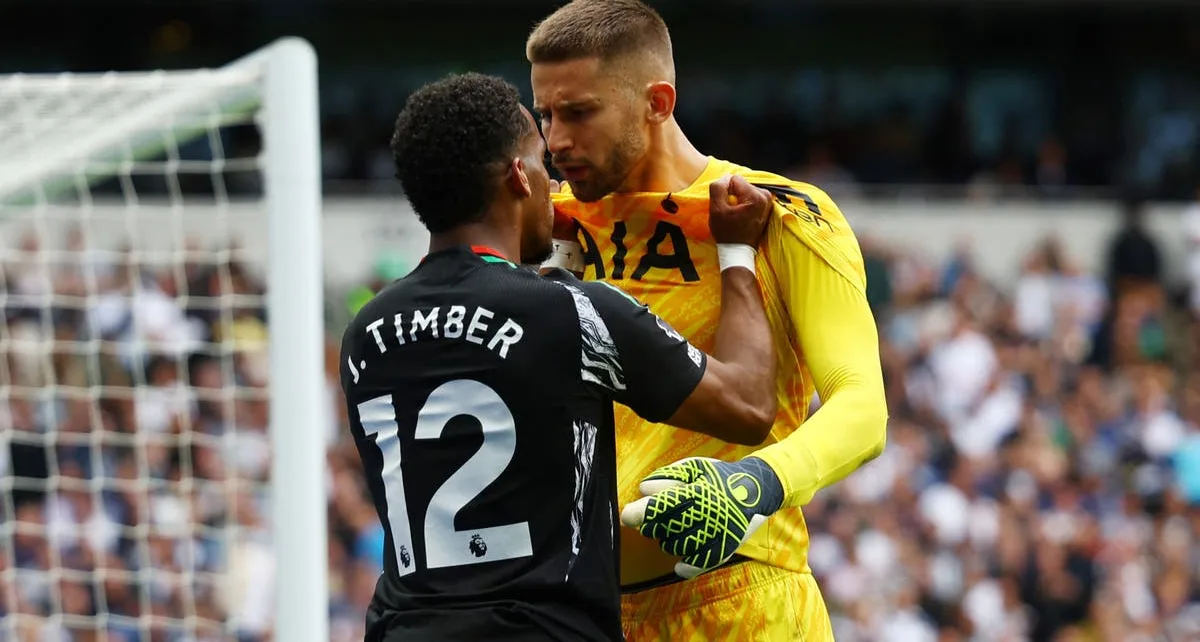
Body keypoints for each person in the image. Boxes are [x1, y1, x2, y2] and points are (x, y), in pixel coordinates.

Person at [339, 72, 781, 642]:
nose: (556, 181)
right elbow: (747, 404)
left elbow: (503, 377)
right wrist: (737, 250)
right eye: (542, 163)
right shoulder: (571, 314)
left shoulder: (365, 333)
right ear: (519, 176)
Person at [526, 1, 889, 639]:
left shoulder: (779, 213)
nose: (557, 142)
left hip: (741, 602)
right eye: (546, 116)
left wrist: (754, 486)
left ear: (657, 102)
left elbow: (862, 408)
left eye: (580, 113)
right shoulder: (552, 226)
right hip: (587, 612)